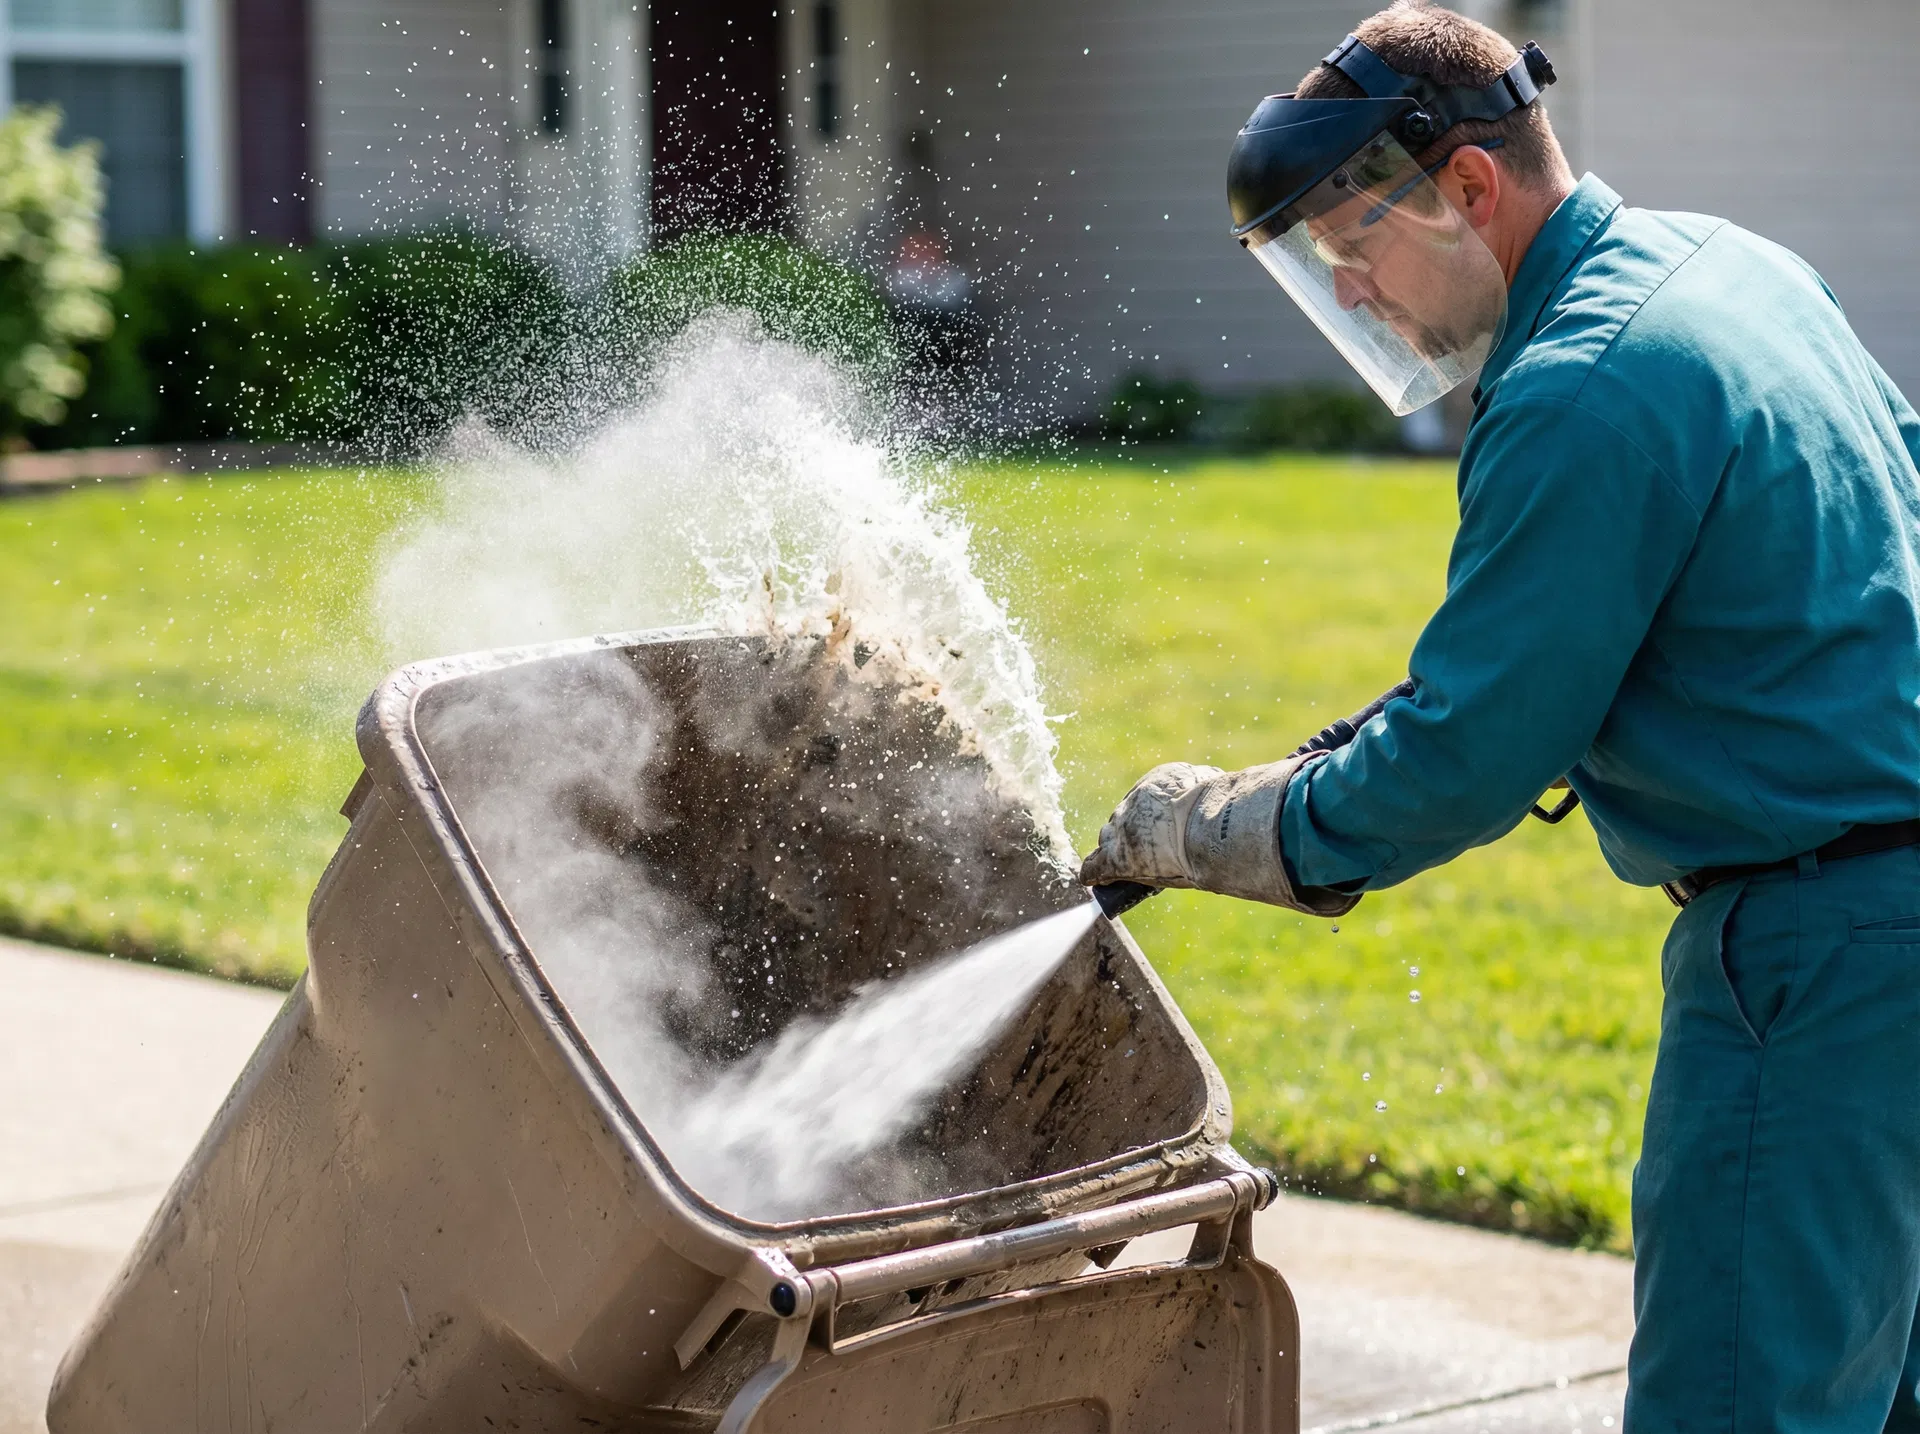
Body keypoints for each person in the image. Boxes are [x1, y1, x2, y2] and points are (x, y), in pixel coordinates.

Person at [1078, 3, 1920, 1429]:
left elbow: (1467, 758)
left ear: (1467, 188)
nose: (1348, 295)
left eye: (1353, 246)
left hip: (1814, 963)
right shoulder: (1738, 271)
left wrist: (1209, 826)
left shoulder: (1579, 383)